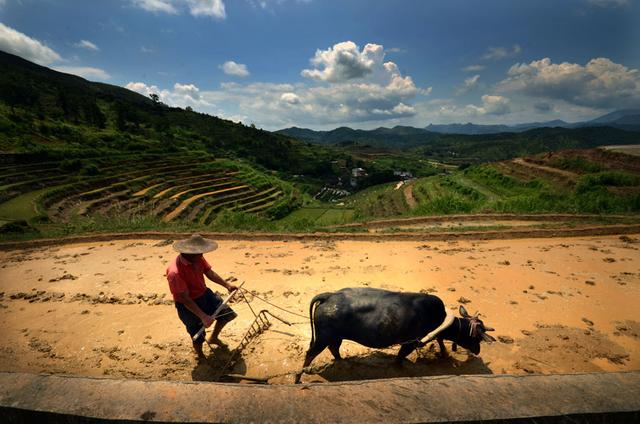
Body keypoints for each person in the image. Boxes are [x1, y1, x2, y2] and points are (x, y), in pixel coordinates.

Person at [166, 234, 238, 360]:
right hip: (188, 305)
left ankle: (214, 337)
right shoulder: (174, 273)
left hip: (204, 294)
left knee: (227, 314)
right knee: (197, 333)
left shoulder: (198, 258)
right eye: (199, 253)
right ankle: (200, 355)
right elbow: (185, 299)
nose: (202, 256)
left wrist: (227, 285)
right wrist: (203, 316)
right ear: (188, 254)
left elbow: (209, 272)